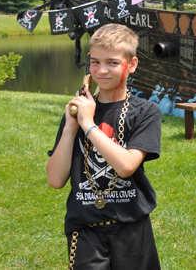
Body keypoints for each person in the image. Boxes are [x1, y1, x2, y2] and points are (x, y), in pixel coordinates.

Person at [47, 23, 162, 270]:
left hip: (132, 227)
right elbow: (55, 179)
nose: (102, 70)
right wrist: (71, 126)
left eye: (112, 62)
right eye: (95, 62)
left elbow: (127, 166)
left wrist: (88, 124)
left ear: (131, 65)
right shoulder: (77, 112)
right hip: (85, 230)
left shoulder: (145, 112)